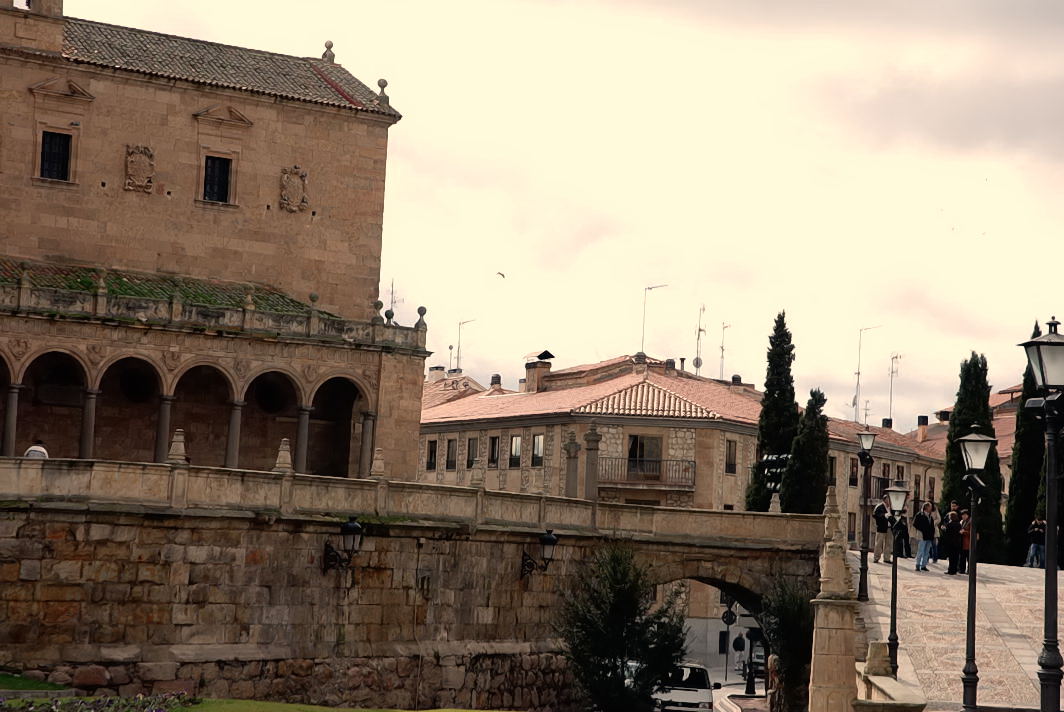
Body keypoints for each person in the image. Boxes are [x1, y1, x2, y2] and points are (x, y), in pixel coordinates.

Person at [913, 502, 935, 571]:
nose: (931, 508)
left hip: (929, 536)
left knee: (927, 551)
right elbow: (915, 524)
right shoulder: (920, 514)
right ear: (926, 507)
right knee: (921, 550)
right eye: (930, 507)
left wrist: (932, 535)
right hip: (922, 535)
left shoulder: (930, 516)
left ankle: (923, 565)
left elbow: (932, 526)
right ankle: (918, 564)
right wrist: (922, 529)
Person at [872, 495, 893, 564]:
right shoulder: (879, 506)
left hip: (889, 528)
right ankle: (876, 557)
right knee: (879, 543)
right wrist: (884, 515)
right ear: (885, 499)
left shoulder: (890, 508)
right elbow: (875, 514)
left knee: (888, 543)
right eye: (889, 499)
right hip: (881, 527)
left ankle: (887, 558)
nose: (890, 501)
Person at [942, 511, 962, 575]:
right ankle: (955, 570)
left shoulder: (949, 524)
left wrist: (943, 529)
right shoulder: (959, 524)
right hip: (957, 543)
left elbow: (947, 533)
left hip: (951, 543)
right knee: (955, 557)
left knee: (951, 558)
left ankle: (950, 570)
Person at [958, 510, 972, 575]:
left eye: (964, 515)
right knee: (962, 557)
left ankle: (969, 570)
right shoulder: (962, 521)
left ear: (967, 515)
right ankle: (962, 570)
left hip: (968, 542)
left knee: (968, 558)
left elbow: (972, 533)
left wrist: (964, 532)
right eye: (962, 515)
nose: (962, 516)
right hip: (962, 542)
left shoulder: (970, 521)